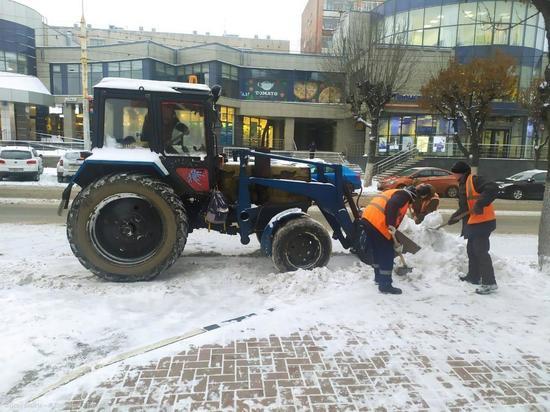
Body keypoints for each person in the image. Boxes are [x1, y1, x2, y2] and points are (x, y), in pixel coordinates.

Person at [447, 161, 499, 295]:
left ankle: (490, 283)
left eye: (455, 172)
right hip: (474, 222)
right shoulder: (463, 184)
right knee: (471, 250)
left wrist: (480, 203)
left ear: (461, 173)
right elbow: (466, 206)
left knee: (481, 252)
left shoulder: (475, 180)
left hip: (483, 221)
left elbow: (493, 187)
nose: (453, 175)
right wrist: (455, 217)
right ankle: (474, 276)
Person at [361, 185, 417, 295]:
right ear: (412, 197)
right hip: (378, 223)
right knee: (387, 253)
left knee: (377, 250)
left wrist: (393, 235)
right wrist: (390, 224)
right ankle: (385, 285)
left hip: (367, 219)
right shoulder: (404, 195)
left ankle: (378, 278)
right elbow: (392, 205)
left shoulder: (392, 192)